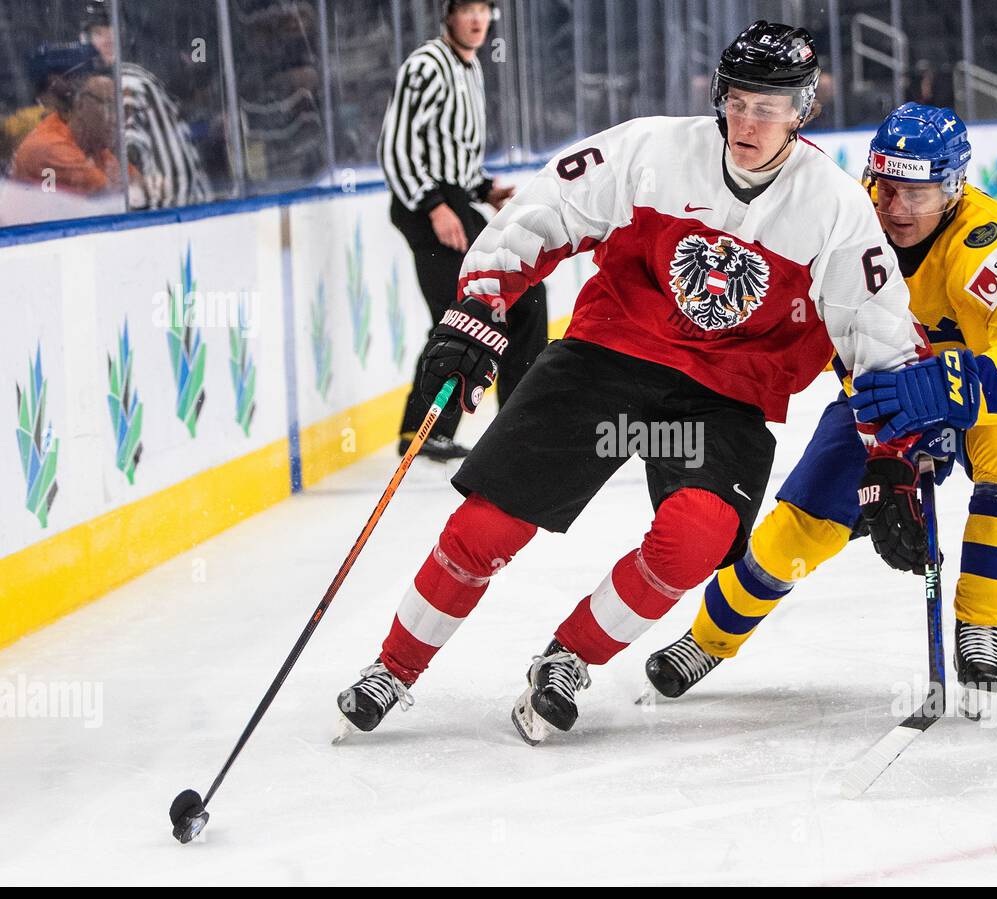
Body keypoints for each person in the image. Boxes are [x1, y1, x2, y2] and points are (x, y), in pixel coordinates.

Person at [336, 22, 924, 745]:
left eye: (769, 107)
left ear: (801, 111)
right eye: (738, 101)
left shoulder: (832, 207)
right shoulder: (651, 150)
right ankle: (394, 668)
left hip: (718, 401)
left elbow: (879, 337)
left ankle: (568, 658)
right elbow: (544, 211)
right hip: (607, 362)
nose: (748, 121)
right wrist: (477, 305)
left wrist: (894, 457)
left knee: (696, 538)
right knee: (490, 524)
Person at [644, 103, 997, 720]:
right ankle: (707, 640)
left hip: (983, 398)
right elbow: (829, 345)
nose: (897, 210)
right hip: (881, 397)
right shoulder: (845, 227)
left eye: (918, 195)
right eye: (886, 188)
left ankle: (980, 625)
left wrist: (948, 389)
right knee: (802, 524)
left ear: (954, 190)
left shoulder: (993, 246)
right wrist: (890, 457)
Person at [380, 0, 548, 463]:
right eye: (466, 9)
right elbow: (396, 150)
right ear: (447, 15)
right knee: (463, 313)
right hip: (428, 205)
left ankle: (519, 418)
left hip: (455, 199)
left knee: (526, 296)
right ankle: (423, 429)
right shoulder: (426, 65)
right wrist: (434, 205)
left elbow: (451, 154)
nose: (477, 19)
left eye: (484, 9)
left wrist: (484, 189)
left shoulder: (469, 67)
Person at [80, 1, 212, 209]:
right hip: (188, 207)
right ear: (86, 40)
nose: (107, 40)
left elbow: (128, 155)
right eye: (98, 33)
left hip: (173, 212)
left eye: (112, 29)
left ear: (126, 33)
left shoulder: (126, 85)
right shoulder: (129, 78)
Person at [10, 54, 139, 199]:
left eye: (124, 110)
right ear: (80, 104)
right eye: (110, 106)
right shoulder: (51, 148)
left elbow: (139, 185)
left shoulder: (95, 148)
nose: (119, 119)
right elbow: (114, 198)